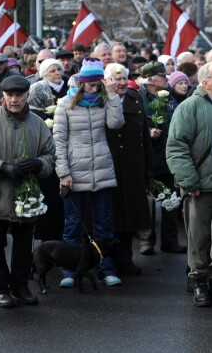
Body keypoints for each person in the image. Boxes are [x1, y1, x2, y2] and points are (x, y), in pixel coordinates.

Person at [0, 75, 56, 307]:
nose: (14, 100)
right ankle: (0, 289)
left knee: (24, 246)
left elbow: (50, 155)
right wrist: (2, 167)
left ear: (27, 96)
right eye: (10, 95)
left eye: (19, 95)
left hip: (27, 197)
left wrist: (39, 164)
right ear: (3, 96)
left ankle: (21, 287)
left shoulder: (37, 122)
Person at [166, 62, 212, 307]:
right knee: (199, 238)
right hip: (199, 185)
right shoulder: (188, 107)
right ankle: (198, 281)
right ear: (205, 82)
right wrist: (189, 181)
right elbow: (176, 147)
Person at [53, 57, 124, 288]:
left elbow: (116, 124)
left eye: (98, 84)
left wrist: (113, 96)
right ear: (82, 82)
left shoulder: (105, 100)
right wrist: (63, 172)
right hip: (75, 170)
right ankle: (69, 271)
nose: (95, 88)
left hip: (101, 169)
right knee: (73, 224)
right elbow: (59, 140)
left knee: (104, 224)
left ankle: (106, 269)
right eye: (91, 84)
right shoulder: (65, 103)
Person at [104, 63, 153, 276]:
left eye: (124, 78)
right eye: (117, 79)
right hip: (109, 166)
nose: (122, 83)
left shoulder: (135, 98)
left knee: (130, 216)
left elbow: (144, 135)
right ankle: (107, 262)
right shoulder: (100, 100)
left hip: (133, 166)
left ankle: (126, 259)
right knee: (110, 215)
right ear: (107, 81)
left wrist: (148, 167)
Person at [138, 61, 185, 255]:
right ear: (150, 79)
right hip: (148, 159)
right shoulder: (138, 99)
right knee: (147, 203)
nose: (166, 80)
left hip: (168, 158)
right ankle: (146, 241)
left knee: (171, 201)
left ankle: (170, 241)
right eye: (162, 76)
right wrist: (147, 132)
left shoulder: (170, 99)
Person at [27, 81, 63, 242]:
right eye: (49, 92)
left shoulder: (46, 113)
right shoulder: (36, 116)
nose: (53, 96)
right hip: (44, 167)